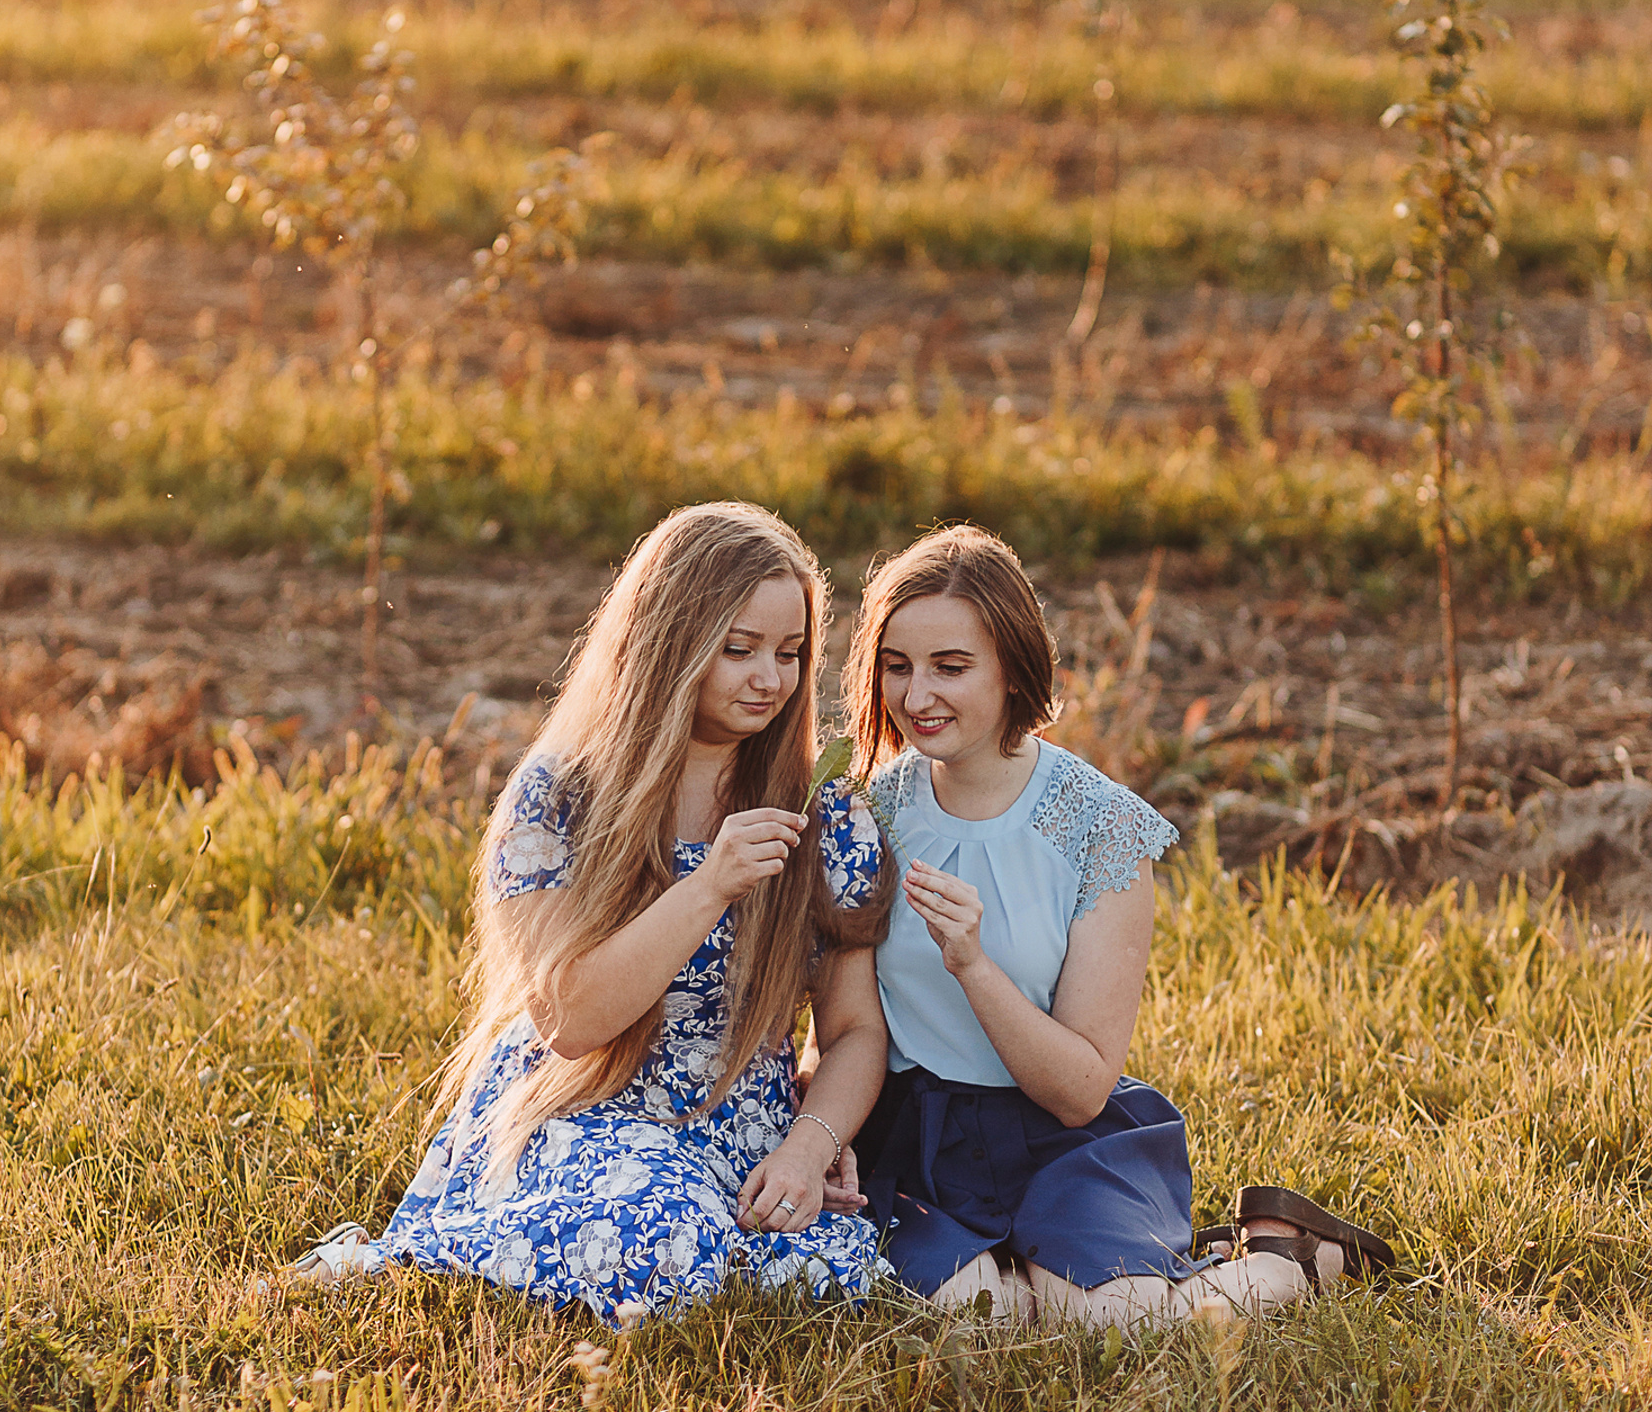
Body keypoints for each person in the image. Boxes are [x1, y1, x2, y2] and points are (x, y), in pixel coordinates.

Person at [276, 501, 895, 1323]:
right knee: (666, 1244)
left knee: (821, 1280)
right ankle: (398, 1262)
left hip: (742, 1125)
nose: (769, 679)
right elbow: (572, 1019)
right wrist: (708, 885)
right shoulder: (563, 798)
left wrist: (808, 1147)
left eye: (789, 654)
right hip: (588, 1106)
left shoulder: (825, 816)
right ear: (666, 645)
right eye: (738, 649)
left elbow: (853, 1030)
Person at [833, 524, 1394, 1329]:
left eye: (950, 667)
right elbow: (847, 1026)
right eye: (897, 667)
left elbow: (1079, 1090)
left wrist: (974, 966)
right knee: (975, 1323)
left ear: (1012, 666)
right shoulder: (868, 818)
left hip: (1063, 1137)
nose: (917, 696)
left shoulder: (1103, 828)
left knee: (1118, 1323)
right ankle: (1069, 1277)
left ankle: (1291, 1256)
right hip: (916, 1139)